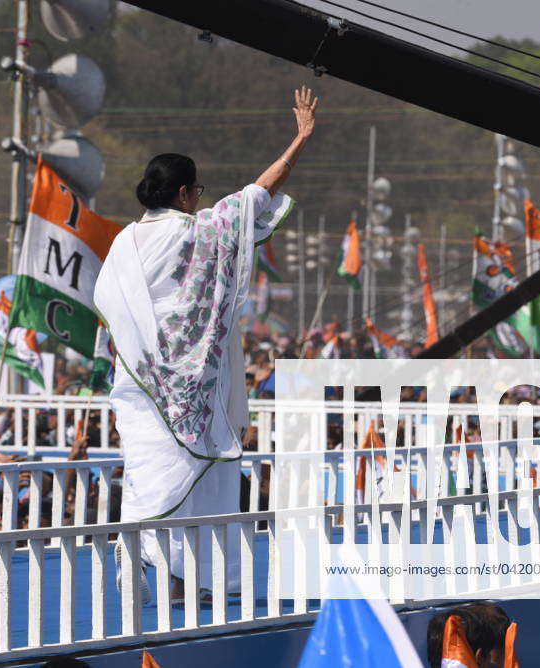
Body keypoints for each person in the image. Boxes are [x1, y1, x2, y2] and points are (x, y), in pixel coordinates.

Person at [94, 86, 317, 599]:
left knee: (152, 476)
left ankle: (167, 573)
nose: (200, 198)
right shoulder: (203, 232)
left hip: (141, 384)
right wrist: (299, 139)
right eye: (197, 190)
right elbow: (257, 193)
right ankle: (168, 570)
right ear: (182, 194)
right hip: (192, 390)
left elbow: (111, 310)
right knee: (179, 479)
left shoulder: (124, 242)